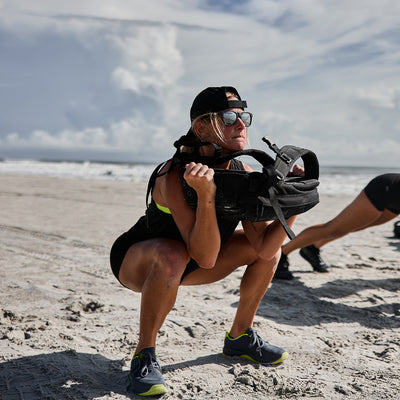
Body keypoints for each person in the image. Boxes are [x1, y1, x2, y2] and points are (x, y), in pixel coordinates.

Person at [110, 86, 296, 396]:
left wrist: (290, 203)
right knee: (172, 254)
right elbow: (206, 256)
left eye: (243, 118)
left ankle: (240, 338)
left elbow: (264, 248)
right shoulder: (173, 175)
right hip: (138, 262)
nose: (240, 125)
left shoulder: (243, 172)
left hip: (191, 263)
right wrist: (206, 195)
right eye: (227, 118)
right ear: (201, 127)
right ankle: (144, 355)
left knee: (269, 252)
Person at [274, 173, 400, 280]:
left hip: (396, 201)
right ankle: (283, 253)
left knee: (354, 227)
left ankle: (311, 249)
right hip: (386, 190)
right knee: (333, 228)